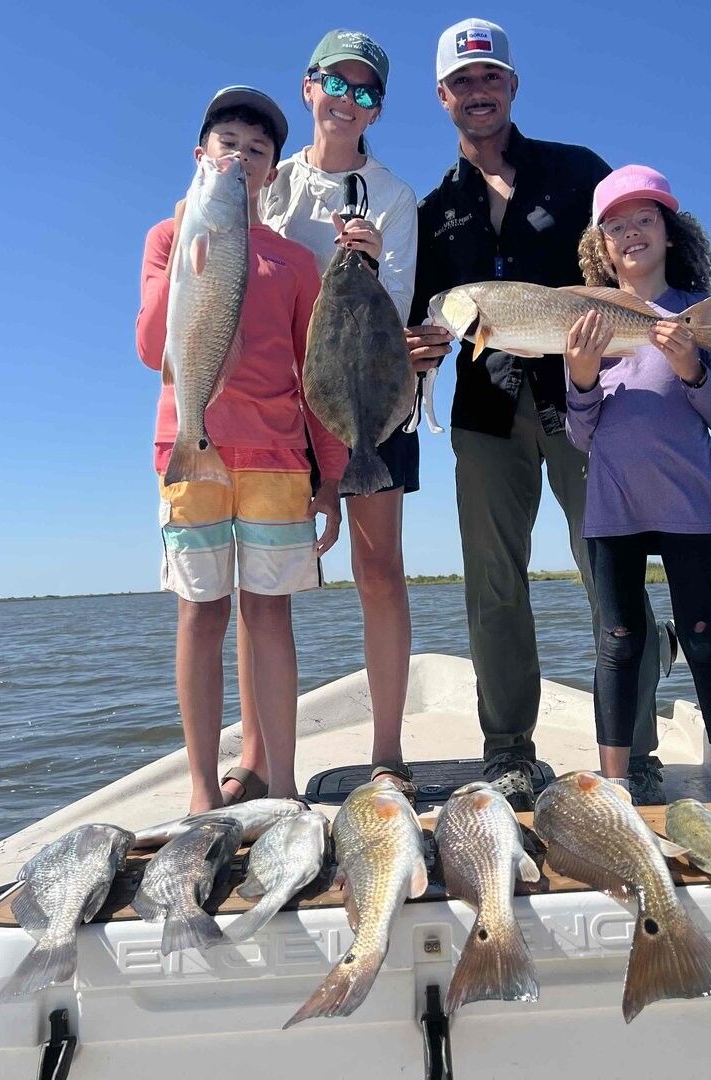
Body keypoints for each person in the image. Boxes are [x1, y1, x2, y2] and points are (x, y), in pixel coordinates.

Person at [405, 18, 663, 809]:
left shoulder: (576, 172)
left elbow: (627, 270)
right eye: (462, 82)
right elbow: (420, 316)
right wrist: (418, 348)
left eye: (490, 79)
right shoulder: (430, 210)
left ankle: (637, 753)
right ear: (442, 96)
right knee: (492, 586)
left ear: (511, 86)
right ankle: (510, 751)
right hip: (484, 418)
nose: (477, 94)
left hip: (587, 407)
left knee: (612, 580)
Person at [134, 86, 346, 813]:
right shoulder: (167, 238)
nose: (242, 155)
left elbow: (311, 371)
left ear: (271, 173)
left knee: (269, 615)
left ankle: (283, 784)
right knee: (200, 613)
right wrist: (194, 236)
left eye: (257, 150)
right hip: (190, 446)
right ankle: (200, 788)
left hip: (278, 458)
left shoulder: (294, 263)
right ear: (202, 156)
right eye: (228, 142)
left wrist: (331, 472)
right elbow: (146, 345)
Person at [242, 29, 420, 800]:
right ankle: (255, 756)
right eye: (336, 85)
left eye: (366, 92)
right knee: (264, 587)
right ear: (308, 88)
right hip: (282, 407)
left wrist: (372, 263)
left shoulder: (394, 197)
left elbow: (402, 313)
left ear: (377, 110)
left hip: (374, 405)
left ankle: (386, 748)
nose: (348, 102)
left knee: (377, 570)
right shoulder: (267, 184)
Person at [564, 163, 711, 801]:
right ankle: (612, 790)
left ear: (670, 232)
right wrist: (582, 375)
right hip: (612, 505)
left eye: (645, 219)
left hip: (689, 503)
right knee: (617, 640)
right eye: (615, 225)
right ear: (601, 245)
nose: (631, 232)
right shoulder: (587, 319)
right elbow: (581, 433)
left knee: (701, 636)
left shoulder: (698, 317)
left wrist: (691, 366)